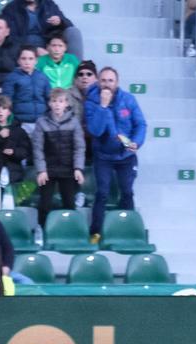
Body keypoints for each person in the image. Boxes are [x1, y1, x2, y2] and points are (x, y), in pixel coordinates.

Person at [85, 67, 146, 242]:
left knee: (127, 191)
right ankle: (95, 233)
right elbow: (95, 130)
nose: (106, 84)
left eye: (110, 80)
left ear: (117, 83)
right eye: (103, 80)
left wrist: (137, 141)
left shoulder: (128, 99)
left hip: (126, 156)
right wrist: (103, 106)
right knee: (102, 193)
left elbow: (140, 124)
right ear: (98, 82)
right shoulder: (91, 102)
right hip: (103, 156)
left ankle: (127, 230)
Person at [31, 87, 85, 225]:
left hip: (68, 170)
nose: (57, 104)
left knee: (69, 204)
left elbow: (79, 147)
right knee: (44, 204)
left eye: (60, 101)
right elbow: (38, 148)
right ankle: (41, 231)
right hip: (48, 170)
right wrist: (41, 170)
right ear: (49, 103)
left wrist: (78, 168)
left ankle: (70, 231)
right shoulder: (41, 122)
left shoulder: (74, 122)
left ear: (66, 103)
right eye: (54, 101)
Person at [1, 0, 80, 56]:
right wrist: (34, 49)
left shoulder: (48, 4)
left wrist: (60, 22)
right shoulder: (11, 9)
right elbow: (10, 37)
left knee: (73, 32)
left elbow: (69, 24)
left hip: (49, 45)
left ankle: (78, 73)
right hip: (24, 46)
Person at [2, 46, 51, 128]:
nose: (27, 62)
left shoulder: (43, 77)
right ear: (18, 61)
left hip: (42, 122)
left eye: (31, 59)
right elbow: (6, 101)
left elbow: (49, 98)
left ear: (36, 60)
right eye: (23, 58)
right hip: (20, 122)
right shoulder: (12, 77)